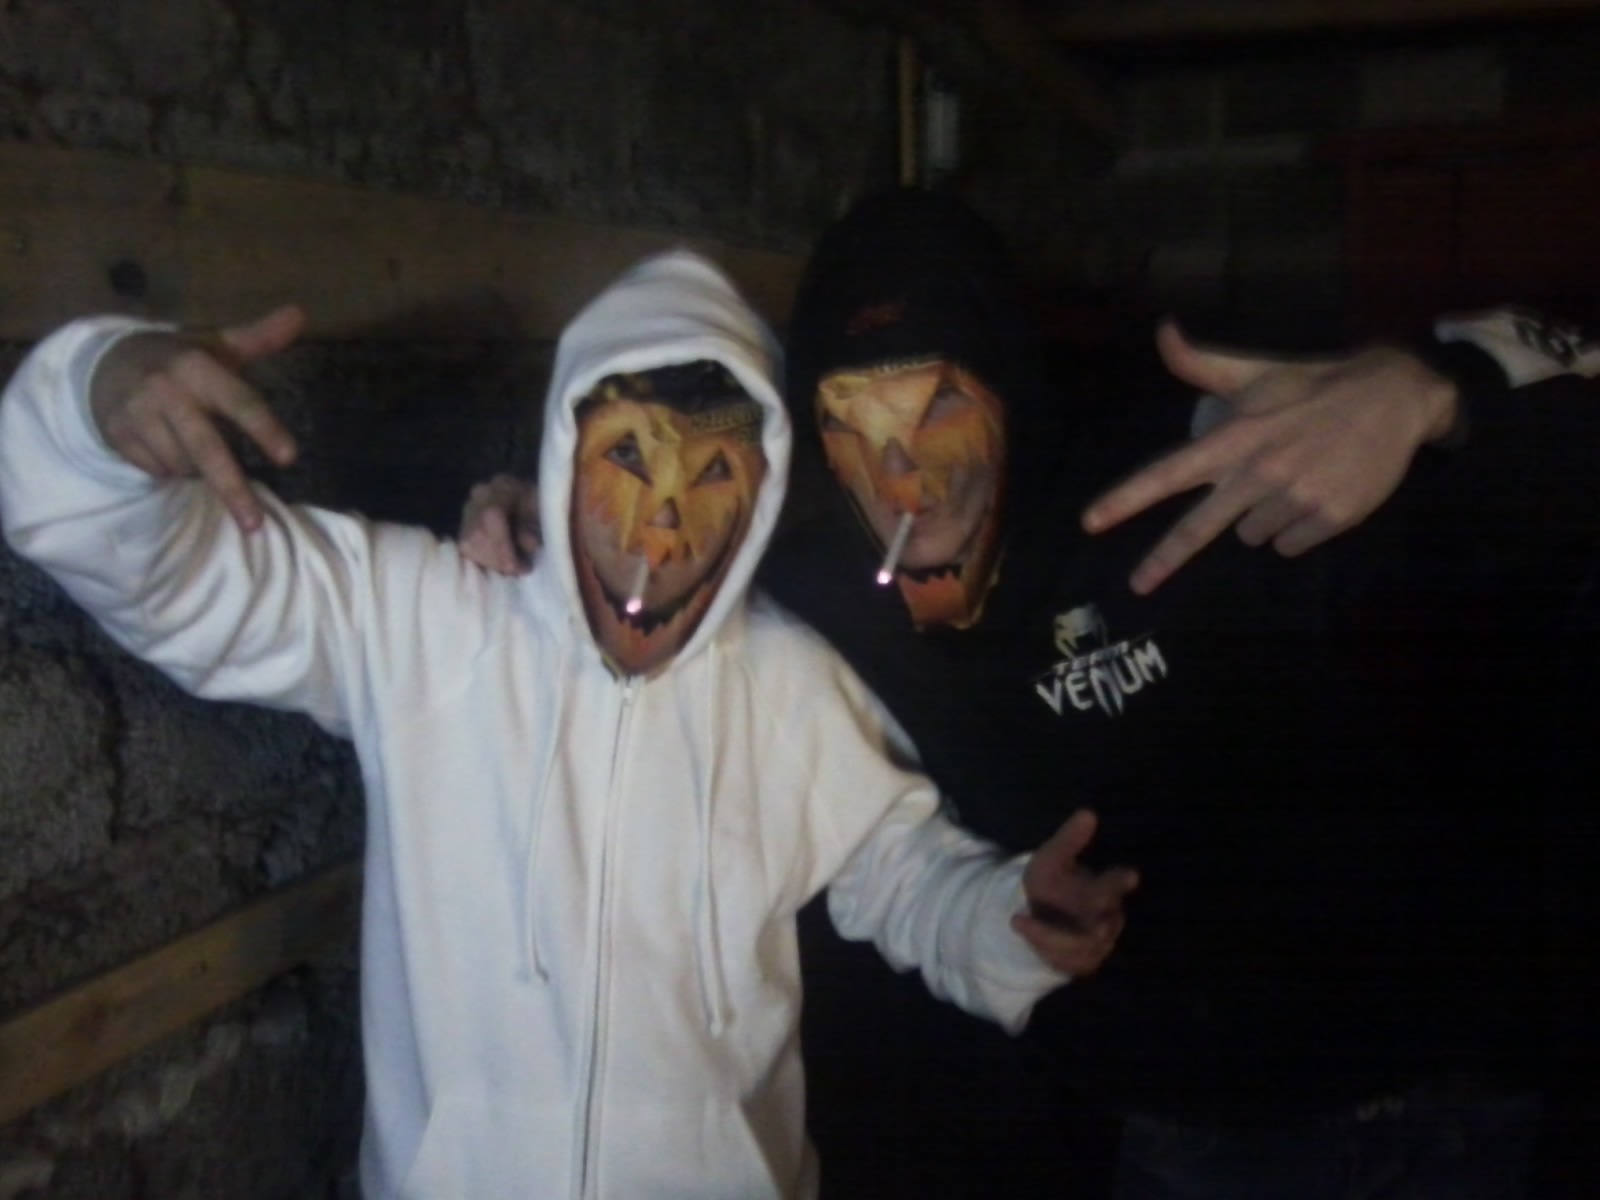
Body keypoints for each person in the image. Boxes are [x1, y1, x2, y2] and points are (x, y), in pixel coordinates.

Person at [458, 193, 1600, 1198]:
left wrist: (1432, 396)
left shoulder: (1191, 476)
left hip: (1452, 1085)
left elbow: (1544, 507)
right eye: (856, 417)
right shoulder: (807, 599)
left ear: (1005, 386)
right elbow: (650, 586)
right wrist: (546, 516)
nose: (901, 470)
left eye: (936, 407)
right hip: (1182, 1128)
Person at [0, 249, 1144, 1200]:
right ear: (560, 449)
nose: (660, 525)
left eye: (712, 474)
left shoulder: (790, 685)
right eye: (626, 458)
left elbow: (898, 870)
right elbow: (176, 584)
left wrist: (1007, 920)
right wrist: (96, 399)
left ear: (761, 494)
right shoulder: (424, 624)